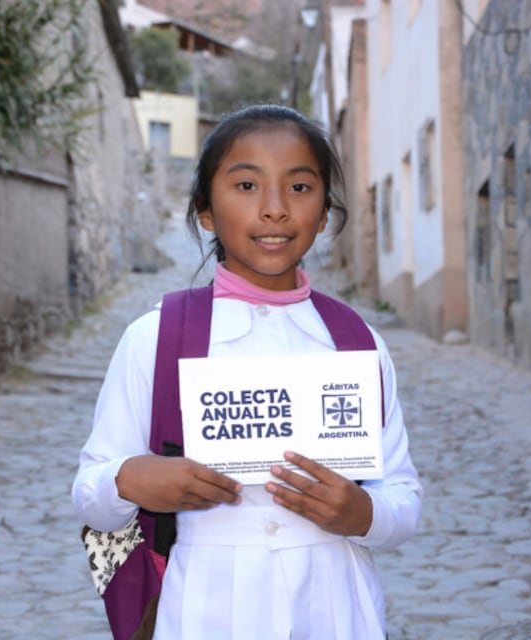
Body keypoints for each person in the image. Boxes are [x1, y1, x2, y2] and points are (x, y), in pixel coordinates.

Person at [72, 104, 421, 639]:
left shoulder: (356, 344)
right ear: (205, 211)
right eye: (246, 186)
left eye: (300, 188)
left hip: (331, 609)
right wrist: (134, 480)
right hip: (203, 608)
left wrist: (362, 513)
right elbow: (92, 489)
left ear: (324, 213)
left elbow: (401, 495)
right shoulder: (156, 338)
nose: (275, 209)